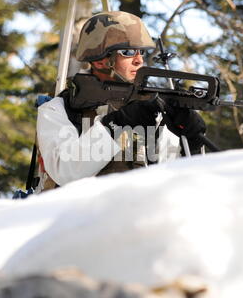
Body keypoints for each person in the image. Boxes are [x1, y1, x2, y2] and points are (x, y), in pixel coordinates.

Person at [36, 11, 205, 191]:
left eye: (141, 52)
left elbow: (179, 181)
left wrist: (192, 143)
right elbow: (65, 172)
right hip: (82, 214)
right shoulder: (58, 109)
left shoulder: (154, 106)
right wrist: (116, 125)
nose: (139, 60)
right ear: (100, 61)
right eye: (128, 52)